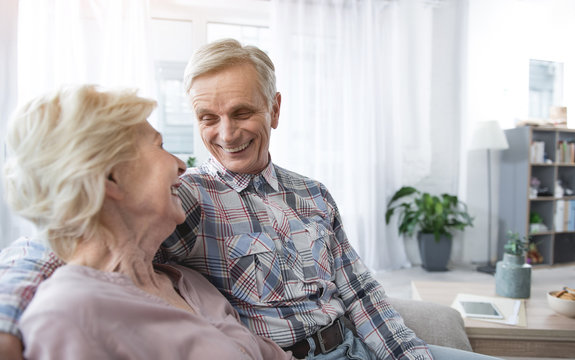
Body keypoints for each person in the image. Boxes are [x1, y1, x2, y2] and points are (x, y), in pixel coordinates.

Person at [0, 40, 501, 360]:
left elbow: (360, 293)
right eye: (207, 118)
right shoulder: (186, 199)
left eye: (242, 112)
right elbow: (70, 240)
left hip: (356, 348)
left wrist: (411, 357)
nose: (226, 133)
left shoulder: (313, 194)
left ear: (274, 109)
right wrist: (4, 322)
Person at [0, 85, 293, 360]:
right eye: (160, 146)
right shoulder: (70, 312)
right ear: (110, 176)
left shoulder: (188, 282)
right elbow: (39, 250)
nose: (181, 164)